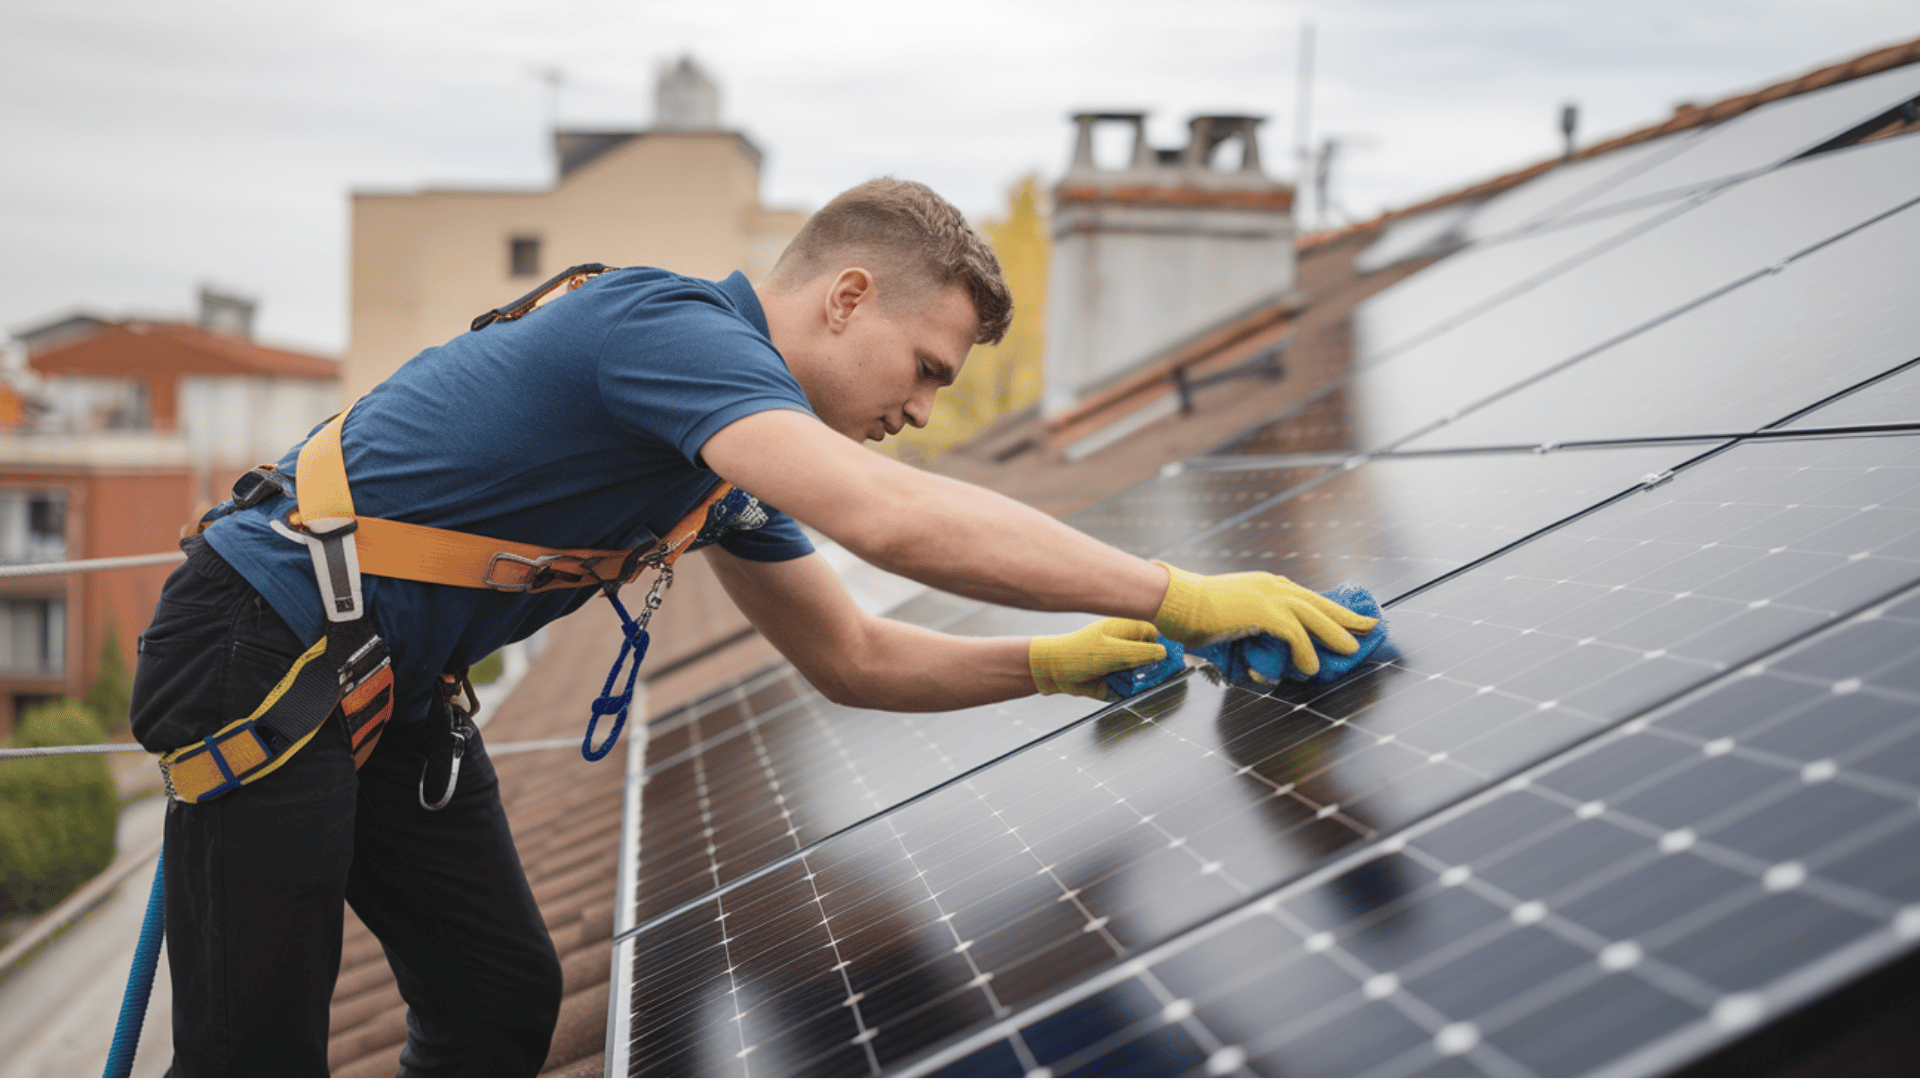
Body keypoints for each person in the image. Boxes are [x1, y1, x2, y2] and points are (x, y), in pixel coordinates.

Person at [130, 177, 1375, 1075]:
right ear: (845, 297)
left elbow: (852, 654)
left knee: (500, 998)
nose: (927, 409)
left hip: (386, 685)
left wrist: (1049, 664)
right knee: (254, 1056)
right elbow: (887, 517)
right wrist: (1178, 591)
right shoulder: (666, 330)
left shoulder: (726, 462)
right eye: (929, 367)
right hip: (266, 650)